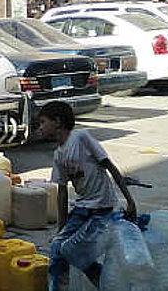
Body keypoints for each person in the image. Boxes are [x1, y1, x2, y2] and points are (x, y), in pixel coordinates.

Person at [38, 100, 137, 290]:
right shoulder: (59, 154)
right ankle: (64, 285)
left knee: (75, 251)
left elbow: (110, 167)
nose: (40, 127)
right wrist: (61, 228)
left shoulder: (81, 138)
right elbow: (61, 192)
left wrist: (130, 201)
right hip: (82, 208)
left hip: (102, 208)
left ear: (57, 122)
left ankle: (106, 283)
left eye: (43, 122)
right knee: (59, 249)